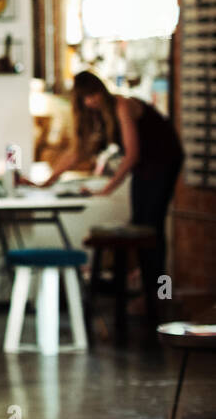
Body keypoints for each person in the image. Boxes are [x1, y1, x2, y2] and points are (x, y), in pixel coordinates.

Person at [28, 69, 184, 270]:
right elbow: (77, 153)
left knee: (152, 227)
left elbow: (132, 154)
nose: (92, 101)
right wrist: (47, 181)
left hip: (164, 159)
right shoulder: (98, 117)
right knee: (140, 224)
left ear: (101, 90)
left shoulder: (122, 106)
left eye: (94, 94)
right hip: (144, 166)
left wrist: (107, 188)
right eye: (86, 97)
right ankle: (147, 288)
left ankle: (162, 293)